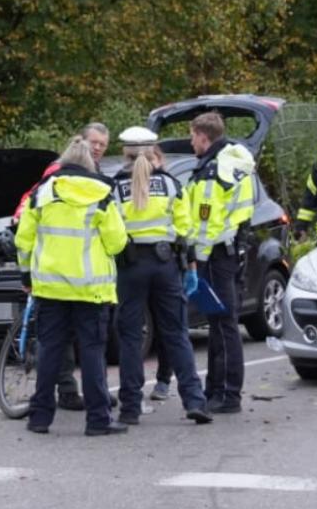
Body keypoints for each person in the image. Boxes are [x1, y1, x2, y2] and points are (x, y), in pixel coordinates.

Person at [15, 136, 128, 436]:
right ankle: (98, 420)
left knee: (50, 351)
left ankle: (39, 418)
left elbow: (23, 240)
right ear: (89, 164)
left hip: (50, 287)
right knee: (92, 354)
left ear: (62, 163)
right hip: (91, 289)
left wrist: (27, 276)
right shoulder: (103, 193)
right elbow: (117, 243)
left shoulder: (42, 194)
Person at [111, 126, 212, 425]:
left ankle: (130, 407)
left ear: (125, 153)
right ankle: (195, 401)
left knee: (130, 338)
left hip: (130, 265)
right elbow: (186, 228)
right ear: (153, 151)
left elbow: (111, 231)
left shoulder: (115, 187)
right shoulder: (170, 184)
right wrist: (188, 262)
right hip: (166, 264)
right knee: (176, 333)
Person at [186, 112, 256, 414]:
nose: (191, 143)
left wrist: (196, 258)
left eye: (192, 137)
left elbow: (206, 223)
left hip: (214, 255)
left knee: (224, 324)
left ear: (203, 136)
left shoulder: (214, 171)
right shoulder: (233, 163)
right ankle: (216, 390)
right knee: (219, 324)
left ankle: (227, 394)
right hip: (228, 251)